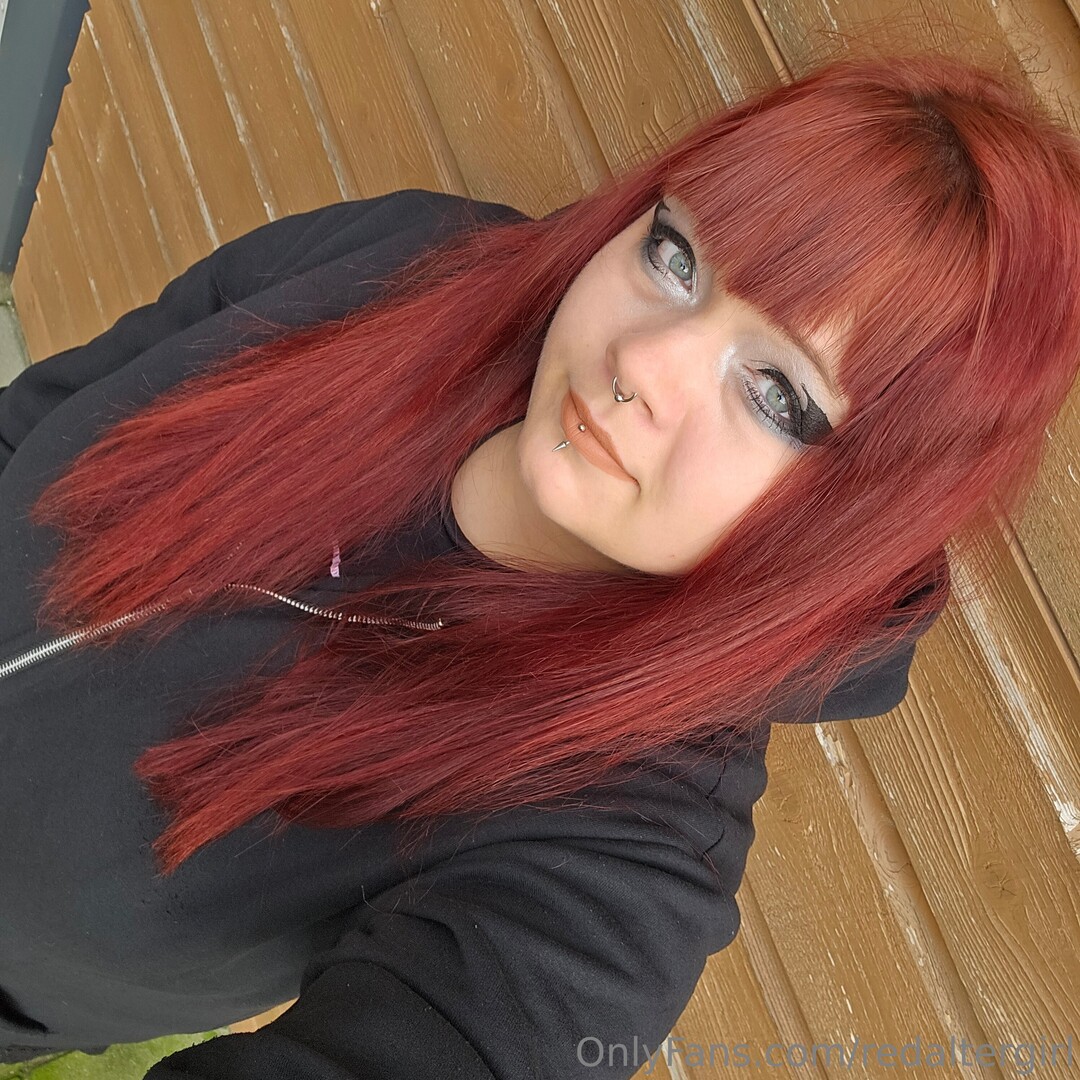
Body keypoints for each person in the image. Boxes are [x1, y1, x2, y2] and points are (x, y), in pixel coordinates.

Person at [1, 50, 1077, 1078]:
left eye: (778, 394)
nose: (641, 364)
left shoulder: (621, 833)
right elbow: (44, 419)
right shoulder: (406, 267)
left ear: (862, 509)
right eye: (677, 258)